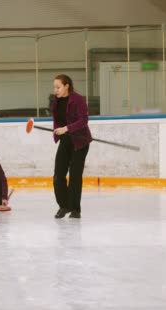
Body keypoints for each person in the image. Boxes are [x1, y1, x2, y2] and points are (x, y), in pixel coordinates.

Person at [50, 74, 92, 219]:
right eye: (54, 87)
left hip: (80, 142)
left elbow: (83, 121)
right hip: (65, 141)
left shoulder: (78, 99)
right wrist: (57, 130)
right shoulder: (56, 101)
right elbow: (57, 119)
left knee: (75, 176)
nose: (55, 90)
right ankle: (64, 206)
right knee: (58, 175)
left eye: (58, 87)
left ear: (67, 85)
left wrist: (66, 128)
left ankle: (75, 209)